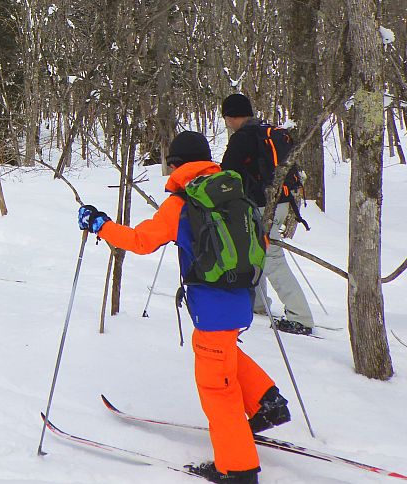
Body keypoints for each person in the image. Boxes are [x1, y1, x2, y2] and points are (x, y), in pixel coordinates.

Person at [77, 131, 289, 484]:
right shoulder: (233, 192)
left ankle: (237, 469)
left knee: (217, 389)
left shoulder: (183, 202)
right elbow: (259, 240)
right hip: (240, 297)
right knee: (221, 353)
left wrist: (102, 225)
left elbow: (142, 241)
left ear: (175, 164)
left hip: (211, 304)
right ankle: (267, 399)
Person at [220, 94, 314, 336]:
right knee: (256, 253)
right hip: (282, 201)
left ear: (230, 116)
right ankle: (258, 305)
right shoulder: (267, 130)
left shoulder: (243, 137)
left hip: (263, 206)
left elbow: (226, 172)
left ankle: (300, 316)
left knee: (272, 258)